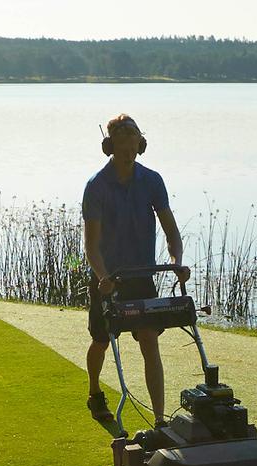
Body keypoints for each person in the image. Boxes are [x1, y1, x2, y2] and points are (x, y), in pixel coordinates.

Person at [81, 114, 189, 427]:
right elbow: (91, 244)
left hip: (142, 276)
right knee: (101, 340)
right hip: (108, 278)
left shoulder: (152, 181)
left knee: (149, 340)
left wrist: (178, 261)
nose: (128, 152)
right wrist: (102, 277)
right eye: (122, 146)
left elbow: (171, 231)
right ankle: (94, 391)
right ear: (109, 147)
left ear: (140, 145)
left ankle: (159, 418)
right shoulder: (96, 187)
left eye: (133, 145)